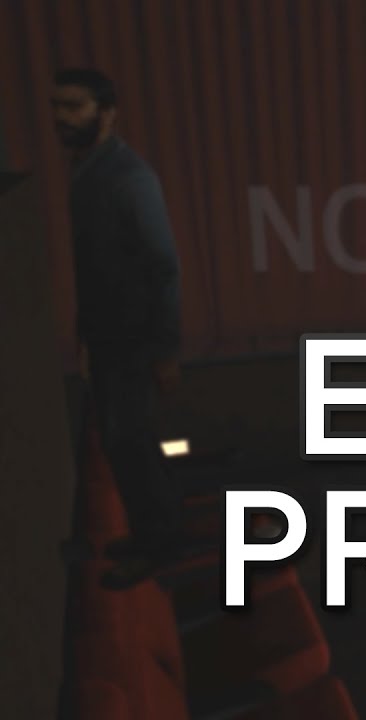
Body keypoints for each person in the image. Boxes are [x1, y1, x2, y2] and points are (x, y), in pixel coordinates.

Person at [53, 68, 184, 589]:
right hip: (107, 337)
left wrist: (166, 350)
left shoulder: (128, 177)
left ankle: (160, 543)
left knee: (130, 441)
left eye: (74, 106)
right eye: (57, 106)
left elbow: (163, 267)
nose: (62, 118)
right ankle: (155, 533)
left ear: (106, 112)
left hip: (133, 340)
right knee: (123, 441)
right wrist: (86, 335)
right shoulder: (86, 171)